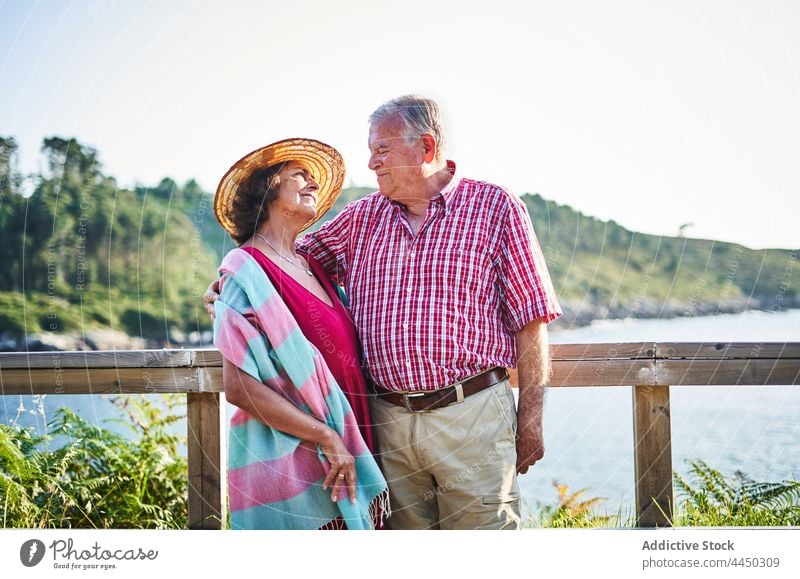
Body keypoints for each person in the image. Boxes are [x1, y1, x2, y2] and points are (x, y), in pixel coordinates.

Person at [207, 97, 561, 529]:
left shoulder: (495, 207)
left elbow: (532, 319)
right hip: (387, 423)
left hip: (473, 417)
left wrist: (531, 418)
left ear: (426, 148)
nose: (372, 163)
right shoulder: (361, 218)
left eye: (382, 150)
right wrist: (226, 284)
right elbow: (278, 268)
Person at [211, 138, 388, 530]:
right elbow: (239, 388)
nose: (313, 184)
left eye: (313, 177)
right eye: (299, 176)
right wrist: (326, 437)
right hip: (306, 456)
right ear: (267, 188)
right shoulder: (244, 269)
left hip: (349, 438)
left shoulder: (313, 265)